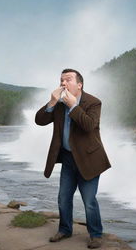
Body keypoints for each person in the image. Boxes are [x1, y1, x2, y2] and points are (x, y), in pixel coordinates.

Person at [35, 68, 111, 249]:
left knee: (89, 201)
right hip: (68, 159)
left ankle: (95, 235)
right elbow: (39, 120)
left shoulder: (93, 102)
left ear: (79, 84)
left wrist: (73, 107)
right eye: (61, 80)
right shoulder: (59, 103)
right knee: (63, 198)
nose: (63, 83)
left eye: (68, 79)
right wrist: (52, 101)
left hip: (89, 159)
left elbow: (89, 126)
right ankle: (65, 230)